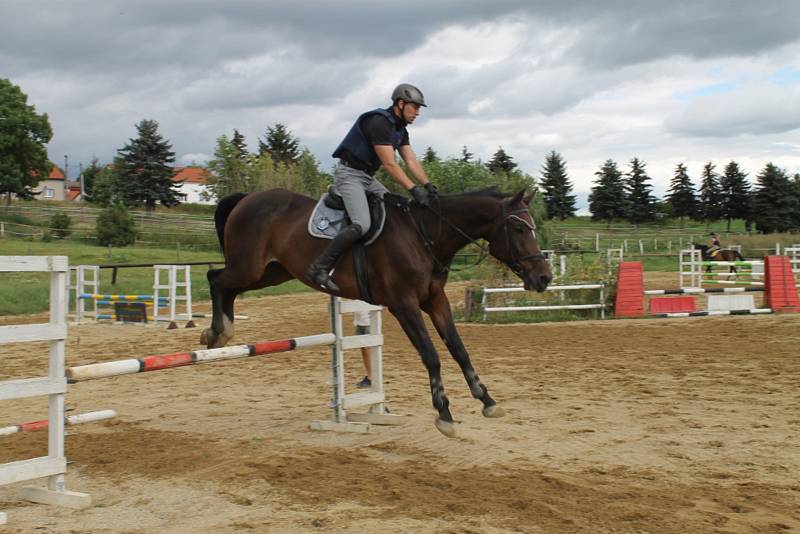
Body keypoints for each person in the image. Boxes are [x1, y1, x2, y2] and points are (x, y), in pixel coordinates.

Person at [306, 83, 438, 292]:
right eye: (415, 107)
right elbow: (389, 164)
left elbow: (410, 160)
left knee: (396, 210)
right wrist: (413, 189)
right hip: (349, 175)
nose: (418, 113)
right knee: (362, 224)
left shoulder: (400, 129)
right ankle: (319, 267)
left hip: (367, 177)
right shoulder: (379, 122)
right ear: (400, 104)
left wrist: (428, 184)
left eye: (419, 108)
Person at [354, 310, 372, 388]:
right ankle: (369, 375)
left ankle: (371, 377)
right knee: (364, 351)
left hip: (369, 323)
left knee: (367, 350)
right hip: (359, 322)